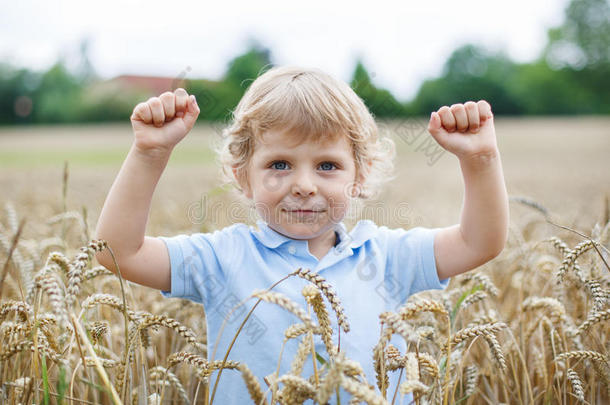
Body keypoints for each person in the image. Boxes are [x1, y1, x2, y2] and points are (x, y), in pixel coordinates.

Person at [94, 65, 509, 404]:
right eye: (279, 165)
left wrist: (482, 160)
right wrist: (149, 154)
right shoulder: (224, 257)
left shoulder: (385, 256)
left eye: (327, 166)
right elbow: (117, 253)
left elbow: (480, 242)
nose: (304, 185)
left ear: (359, 176)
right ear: (243, 177)